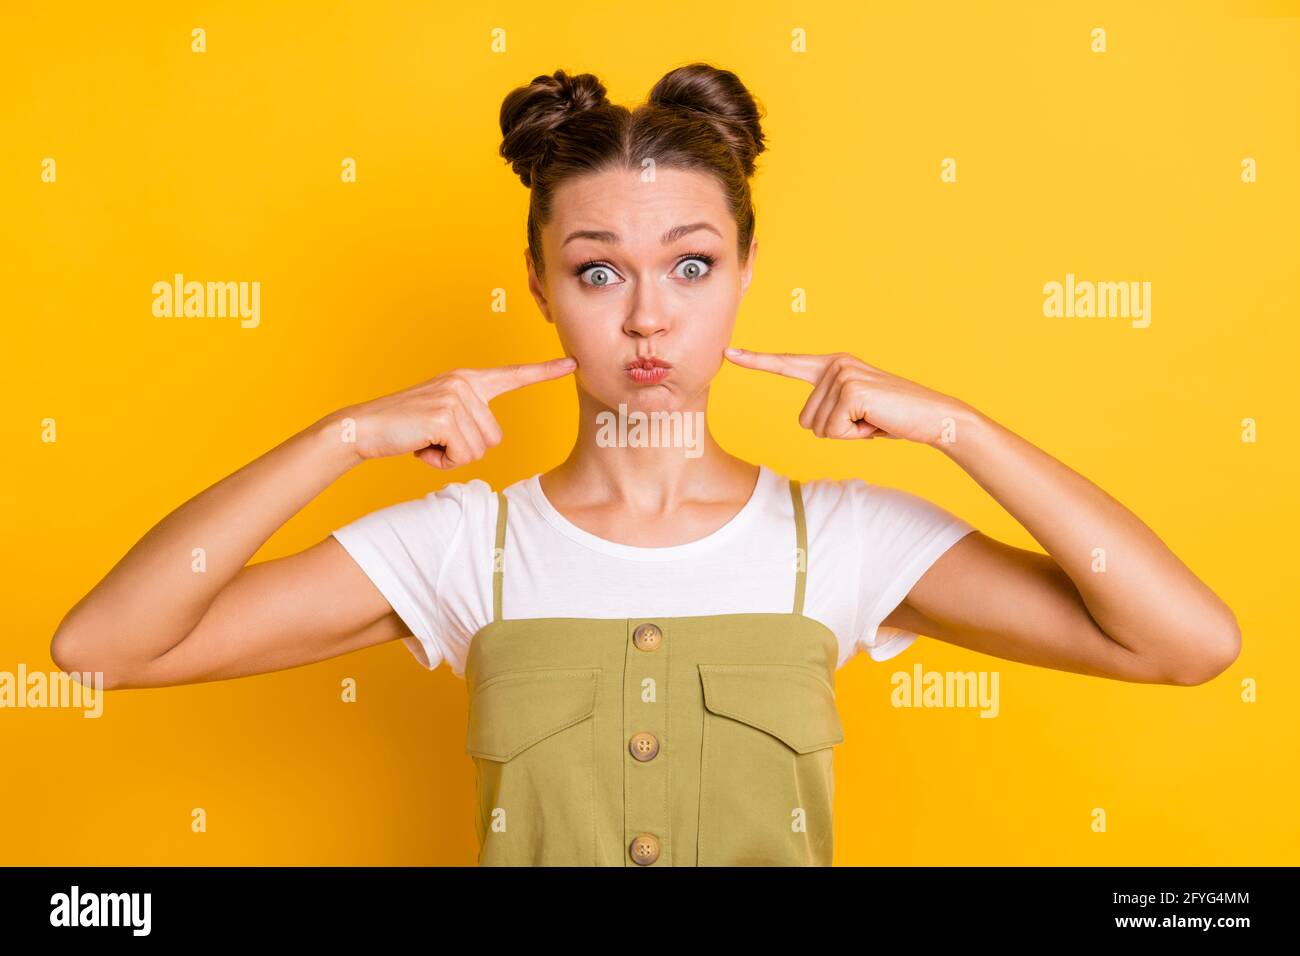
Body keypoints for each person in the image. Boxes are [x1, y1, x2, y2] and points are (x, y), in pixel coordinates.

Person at [50, 63, 1241, 866]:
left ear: (743, 273)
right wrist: (341, 439)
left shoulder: (845, 538)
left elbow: (1187, 643)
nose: (646, 321)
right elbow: (103, 646)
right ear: (541, 288)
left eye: (688, 265)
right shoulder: (467, 543)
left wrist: (961, 431)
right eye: (597, 270)